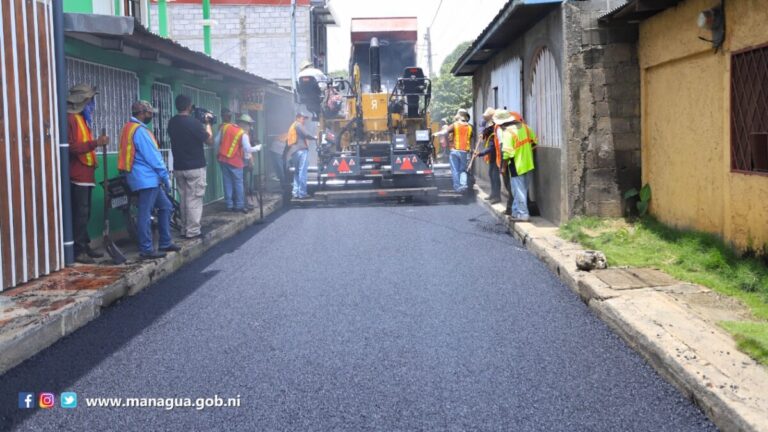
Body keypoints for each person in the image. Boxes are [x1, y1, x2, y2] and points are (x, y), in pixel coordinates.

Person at [118, 101, 180, 259]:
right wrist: (165, 176)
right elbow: (153, 157)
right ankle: (146, 249)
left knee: (166, 206)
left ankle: (165, 242)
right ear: (142, 113)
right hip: (146, 178)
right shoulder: (140, 131)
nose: (151, 116)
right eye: (149, 113)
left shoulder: (128, 128)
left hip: (140, 177)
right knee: (145, 213)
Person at [67, 83, 109, 264]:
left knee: (86, 214)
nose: (92, 103)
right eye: (90, 100)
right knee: (80, 214)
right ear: (82, 100)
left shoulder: (83, 119)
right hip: (77, 175)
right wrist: (96, 143)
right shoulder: (70, 119)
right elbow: (72, 147)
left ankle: (85, 245)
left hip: (86, 174)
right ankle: (78, 251)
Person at [167, 94, 213, 240]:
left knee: (184, 199)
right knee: (194, 199)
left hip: (179, 166)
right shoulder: (194, 124)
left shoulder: (172, 123)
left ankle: (184, 228)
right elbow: (210, 141)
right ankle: (193, 231)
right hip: (195, 167)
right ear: (189, 106)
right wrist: (208, 124)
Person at [494, 110, 537, 221]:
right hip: (528, 164)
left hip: (516, 165)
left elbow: (507, 152)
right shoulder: (526, 128)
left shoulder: (508, 133)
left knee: (518, 191)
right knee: (521, 189)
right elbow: (534, 142)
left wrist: (503, 167)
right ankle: (515, 212)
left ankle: (523, 214)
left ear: (503, 123)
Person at [215, 114, 262, 212]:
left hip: (223, 159)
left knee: (227, 182)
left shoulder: (225, 127)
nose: (250, 127)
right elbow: (247, 149)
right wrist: (257, 148)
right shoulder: (242, 134)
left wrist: (219, 153)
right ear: (244, 124)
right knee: (238, 183)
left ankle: (229, 205)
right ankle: (239, 205)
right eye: (249, 125)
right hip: (235, 161)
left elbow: (216, 142)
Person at [283, 112, 316, 199]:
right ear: (297, 117)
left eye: (305, 118)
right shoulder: (298, 125)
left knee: (297, 172)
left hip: (294, 152)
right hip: (301, 151)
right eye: (303, 118)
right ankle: (302, 193)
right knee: (302, 172)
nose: (304, 120)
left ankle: (295, 192)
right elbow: (306, 134)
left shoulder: (293, 126)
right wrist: (315, 138)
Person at [473, 108, 502, 204]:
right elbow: (482, 126)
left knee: (495, 176)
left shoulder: (494, 131)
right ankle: (493, 194)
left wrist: (480, 153)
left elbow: (491, 147)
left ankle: (497, 196)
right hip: (492, 157)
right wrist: (482, 133)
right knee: (491, 174)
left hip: (497, 155)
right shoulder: (489, 128)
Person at [447, 111, 473, 192]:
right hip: (465, 152)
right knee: (463, 170)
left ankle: (457, 187)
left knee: (455, 169)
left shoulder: (454, 125)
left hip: (455, 151)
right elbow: (471, 137)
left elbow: (446, 131)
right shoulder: (470, 127)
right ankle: (463, 184)